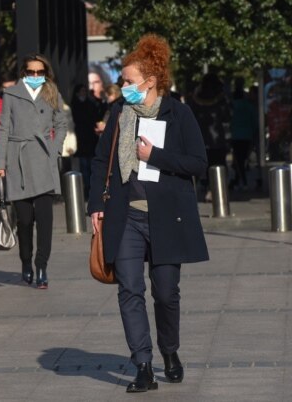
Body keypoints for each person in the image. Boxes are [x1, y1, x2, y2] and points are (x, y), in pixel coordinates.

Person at [88, 34, 209, 393]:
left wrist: (154, 156)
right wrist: (96, 204)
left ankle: (169, 351)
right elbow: (99, 162)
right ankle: (143, 364)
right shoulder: (119, 113)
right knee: (129, 289)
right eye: (122, 81)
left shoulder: (179, 113)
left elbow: (199, 164)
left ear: (150, 81)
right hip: (125, 216)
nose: (122, 86)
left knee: (167, 293)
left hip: (168, 217)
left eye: (128, 81)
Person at [0, 53, 67, 289]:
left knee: (45, 221)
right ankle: (26, 261)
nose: (36, 76)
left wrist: (54, 150)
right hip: (18, 160)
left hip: (43, 160)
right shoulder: (12, 94)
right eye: (31, 72)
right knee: (24, 220)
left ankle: (42, 266)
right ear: (23, 73)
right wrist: (0, 163)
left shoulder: (52, 92)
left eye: (40, 72)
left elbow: (61, 123)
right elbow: (4, 128)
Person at [187, 72, 231, 200]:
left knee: (205, 164)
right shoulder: (221, 98)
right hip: (218, 138)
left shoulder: (196, 98)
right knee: (219, 163)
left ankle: (206, 187)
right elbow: (227, 116)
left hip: (201, 136)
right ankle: (217, 190)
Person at [71, 82, 102, 198]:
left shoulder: (91, 104)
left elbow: (95, 117)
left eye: (85, 91)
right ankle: (86, 188)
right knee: (84, 166)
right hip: (81, 139)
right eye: (82, 91)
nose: (83, 93)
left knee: (91, 165)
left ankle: (91, 188)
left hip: (91, 139)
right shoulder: (75, 105)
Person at [229, 78, 258, 191]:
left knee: (238, 159)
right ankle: (239, 181)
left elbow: (228, 119)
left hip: (236, 135)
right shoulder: (249, 106)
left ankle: (241, 181)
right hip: (247, 135)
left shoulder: (233, 106)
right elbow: (254, 121)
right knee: (242, 159)